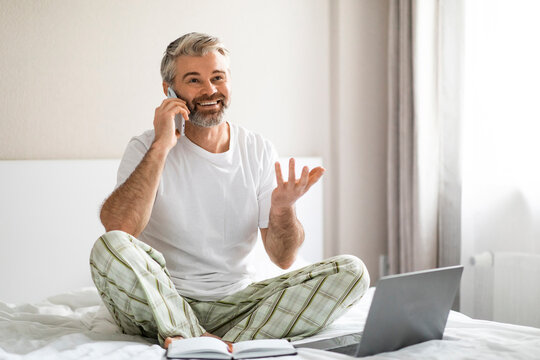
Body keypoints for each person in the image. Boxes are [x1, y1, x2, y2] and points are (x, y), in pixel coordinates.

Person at [89, 32, 370, 349]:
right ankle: (205, 337)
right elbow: (120, 228)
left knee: (353, 271)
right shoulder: (145, 147)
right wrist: (161, 146)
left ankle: (214, 343)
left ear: (229, 82)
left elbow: (283, 257)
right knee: (108, 246)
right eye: (194, 80)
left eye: (217, 77)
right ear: (170, 90)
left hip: (238, 305)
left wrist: (282, 208)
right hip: (162, 301)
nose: (209, 90)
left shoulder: (258, 149)